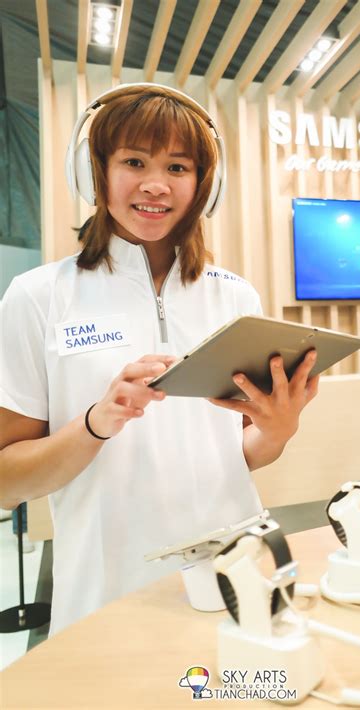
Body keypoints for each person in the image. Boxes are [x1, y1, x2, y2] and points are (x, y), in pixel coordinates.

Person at [0, 84, 319, 635]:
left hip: (234, 574)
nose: (155, 184)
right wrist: (96, 424)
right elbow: (7, 480)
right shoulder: (38, 296)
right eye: (133, 161)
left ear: (204, 186)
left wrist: (277, 430)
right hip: (107, 590)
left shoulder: (235, 298)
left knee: (238, 692)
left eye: (178, 166)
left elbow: (235, 455)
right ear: (93, 172)